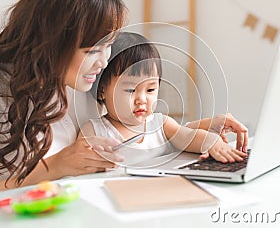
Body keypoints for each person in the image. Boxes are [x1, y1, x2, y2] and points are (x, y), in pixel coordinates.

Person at [0, 0, 128, 200]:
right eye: (92, 50)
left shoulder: (82, 83)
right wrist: (53, 167)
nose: (103, 62)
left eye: (108, 46)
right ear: (53, 42)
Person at [78, 32, 248, 166]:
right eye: (131, 89)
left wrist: (213, 142)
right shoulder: (94, 130)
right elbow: (81, 165)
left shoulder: (161, 124)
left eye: (150, 89)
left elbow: (188, 136)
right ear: (102, 91)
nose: (142, 99)